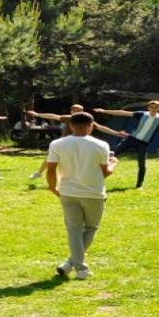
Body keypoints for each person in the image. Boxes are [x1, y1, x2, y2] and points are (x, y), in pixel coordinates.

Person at [44, 112, 120, 280]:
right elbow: (104, 173)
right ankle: (80, 268)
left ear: (71, 125)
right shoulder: (101, 145)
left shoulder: (57, 144)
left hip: (67, 191)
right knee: (90, 228)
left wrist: (53, 187)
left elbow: (50, 170)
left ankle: (70, 264)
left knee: (74, 230)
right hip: (93, 193)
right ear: (91, 125)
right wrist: (113, 164)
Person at [25, 105, 127, 180]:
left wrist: (117, 133)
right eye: (77, 110)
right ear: (71, 111)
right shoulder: (68, 118)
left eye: (81, 110)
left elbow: (101, 128)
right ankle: (39, 173)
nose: (79, 111)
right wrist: (37, 114)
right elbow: (53, 116)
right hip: (65, 144)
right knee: (50, 159)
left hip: (81, 144)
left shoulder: (86, 120)